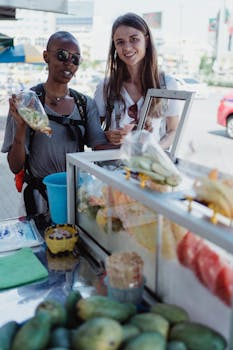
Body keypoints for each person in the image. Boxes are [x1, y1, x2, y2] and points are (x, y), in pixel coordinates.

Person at [1, 31, 110, 221]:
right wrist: (20, 128)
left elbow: (100, 150)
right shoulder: (27, 102)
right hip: (37, 200)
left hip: (75, 198)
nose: (69, 63)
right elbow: (14, 165)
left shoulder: (85, 104)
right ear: (46, 56)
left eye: (75, 59)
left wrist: (130, 140)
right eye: (62, 55)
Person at [94, 12, 180, 150]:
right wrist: (108, 135)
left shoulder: (167, 84)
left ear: (146, 40)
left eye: (134, 39)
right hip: (112, 168)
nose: (127, 48)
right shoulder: (106, 86)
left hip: (148, 168)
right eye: (120, 42)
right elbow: (93, 134)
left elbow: (173, 131)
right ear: (115, 47)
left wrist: (155, 151)